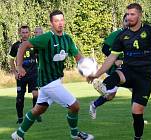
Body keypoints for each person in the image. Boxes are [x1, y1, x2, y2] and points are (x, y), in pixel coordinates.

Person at [87, 3, 151, 140]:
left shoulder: (149, 31)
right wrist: (96, 74)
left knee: (137, 111)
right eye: (127, 14)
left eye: (132, 14)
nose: (129, 17)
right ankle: (104, 87)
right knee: (117, 76)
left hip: (145, 76)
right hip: (128, 70)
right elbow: (111, 57)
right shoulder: (122, 36)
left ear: (140, 15)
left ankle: (137, 138)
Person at [11, 10, 94, 140]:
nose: (60, 23)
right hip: (49, 83)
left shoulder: (67, 39)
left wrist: (88, 71)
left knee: (38, 110)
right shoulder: (46, 38)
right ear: (51, 23)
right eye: (56, 21)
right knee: (75, 105)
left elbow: (78, 57)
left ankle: (18, 134)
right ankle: (74, 134)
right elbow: (23, 46)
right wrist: (19, 66)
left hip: (53, 82)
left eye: (61, 20)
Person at [89, 14, 128, 119]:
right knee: (111, 95)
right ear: (122, 22)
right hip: (115, 68)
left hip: (127, 67)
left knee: (112, 95)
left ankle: (138, 118)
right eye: (126, 21)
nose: (128, 23)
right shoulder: (117, 34)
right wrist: (115, 60)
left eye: (130, 21)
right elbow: (105, 49)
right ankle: (97, 98)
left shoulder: (134, 34)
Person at [9, 25, 41, 124]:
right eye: (23, 32)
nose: (25, 34)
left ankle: (35, 115)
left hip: (33, 74)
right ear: (20, 33)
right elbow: (11, 60)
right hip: (21, 76)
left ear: (29, 33)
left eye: (26, 32)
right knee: (20, 98)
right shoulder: (16, 46)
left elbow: (40, 57)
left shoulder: (34, 44)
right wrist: (15, 72)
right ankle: (20, 118)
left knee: (36, 94)